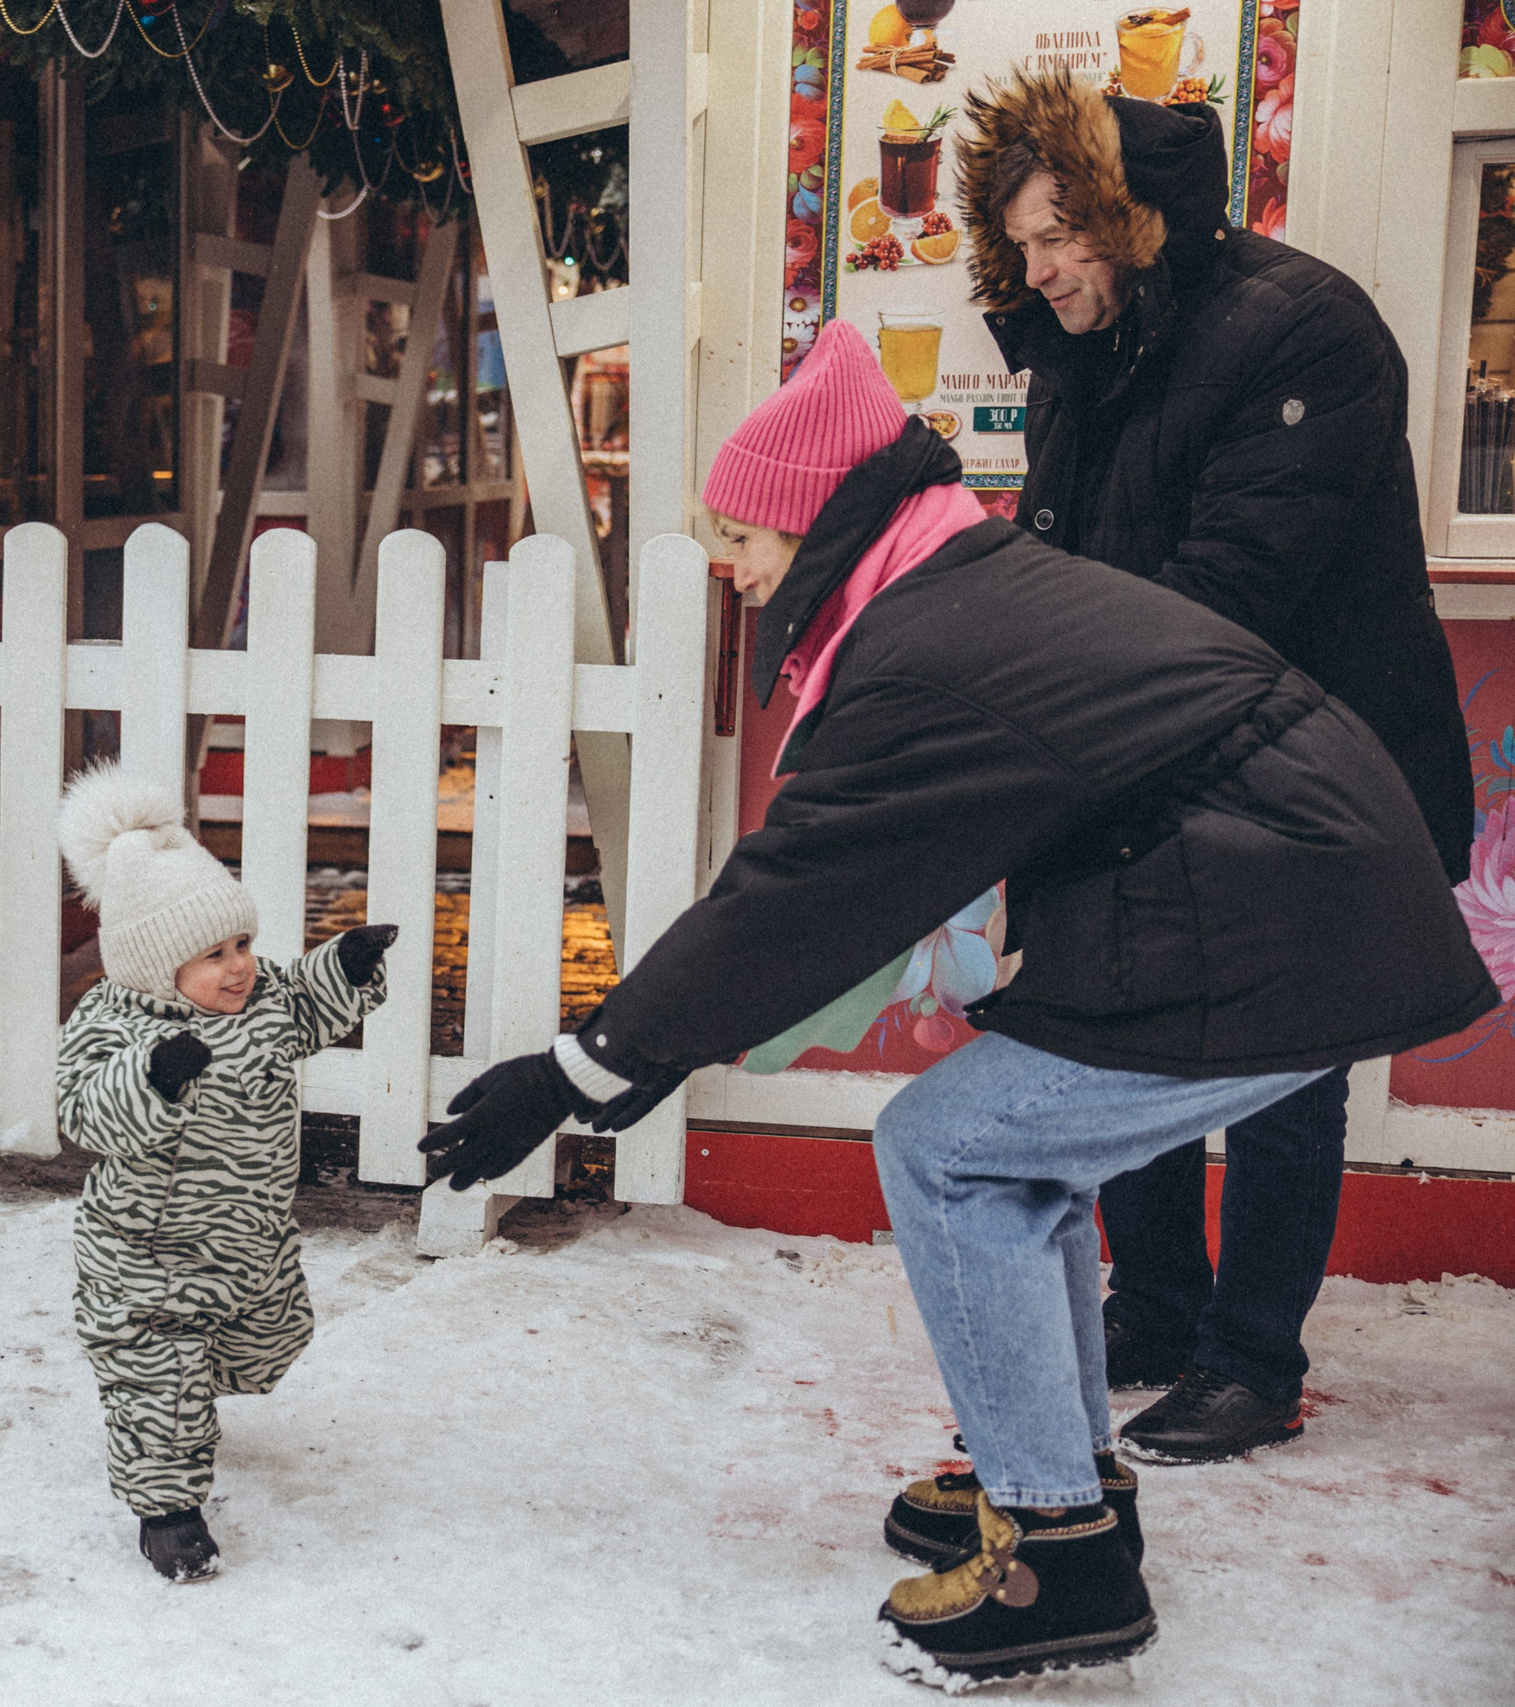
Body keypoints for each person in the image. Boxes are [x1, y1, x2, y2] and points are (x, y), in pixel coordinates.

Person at [416, 322, 1493, 1685]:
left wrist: (577, 1064)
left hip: (1283, 918)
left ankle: (1061, 1550)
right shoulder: (956, 589)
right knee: (1005, 1157)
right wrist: (642, 1051)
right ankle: (1054, 1475)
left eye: (741, 535)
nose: (733, 569)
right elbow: (838, 901)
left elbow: (799, 885)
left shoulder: (929, 638)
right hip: (1277, 899)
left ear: (811, 525)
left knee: (950, 1144)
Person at [959, 71, 1474, 1462]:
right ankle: (1165, 1301)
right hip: (1152, 746)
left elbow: (1232, 583)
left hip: (1308, 759)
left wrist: (1079, 706)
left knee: (1278, 1062)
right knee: (1138, 1020)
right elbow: (1065, 549)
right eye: (1020, 243)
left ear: (1136, 220)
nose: (1039, 268)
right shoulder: (1088, 344)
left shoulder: (1301, 328)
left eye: (1060, 236)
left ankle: (1254, 1354)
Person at [51, 764, 395, 1582]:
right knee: (160, 1381)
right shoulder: (114, 1021)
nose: (239, 965)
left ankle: (192, 1396)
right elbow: (85, 1109)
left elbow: (303, 1005)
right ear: (153, 961)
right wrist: (154, 1077)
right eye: (213, 954)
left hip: (251, 1237)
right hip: (147, 1256)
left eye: (241, 942)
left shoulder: (261, 993)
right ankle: (167, 1513)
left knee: (272, 1340)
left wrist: (343, 966)